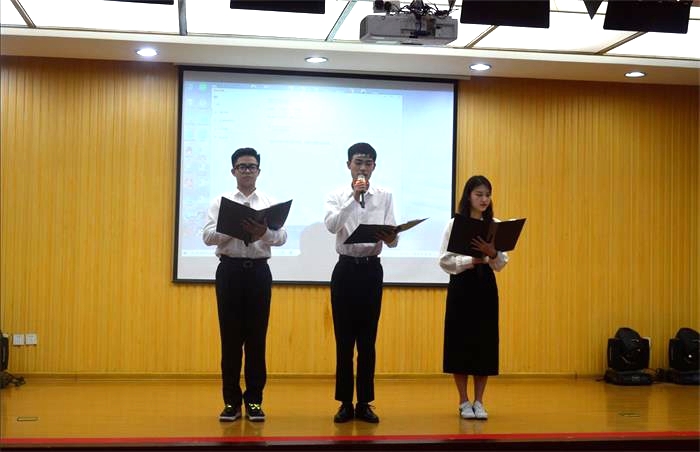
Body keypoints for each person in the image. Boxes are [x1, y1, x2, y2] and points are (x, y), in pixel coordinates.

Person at [202, 147, 287, 423]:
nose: (247, 171)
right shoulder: (221, 202)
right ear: (233, 171)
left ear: (259, 171)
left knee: (256, 341)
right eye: (242, 167)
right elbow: (207, 237)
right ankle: (231, 403)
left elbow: (282, 237)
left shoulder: (269, 201)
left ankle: (254, 402)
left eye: (251, 166)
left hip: (259, 273)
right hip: (230, 271)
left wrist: (263, 232)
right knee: (230, 340)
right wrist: (233, 228)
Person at [324, 142, 398, 424]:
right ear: (348, 165)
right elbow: (332, 225)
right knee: (344, 341)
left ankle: (365, 402)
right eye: (358, 162)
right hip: (345, 270)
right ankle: (345, 402)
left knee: (368, 341)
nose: (363, 168)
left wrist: (391, 237)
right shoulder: (336, 195)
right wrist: (353, 197)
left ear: (374, 167)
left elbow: (393, 238)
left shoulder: (385, 196)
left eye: (368, 163)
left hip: (371, 270)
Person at [438, 175, 509, 421]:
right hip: (461, 286)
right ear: (468, 196)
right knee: (460, 342)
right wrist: (473, 260)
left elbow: (501, 264)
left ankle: (479, 401)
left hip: (485, 287)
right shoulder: (455, 224)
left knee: (484, 343)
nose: (484, 199)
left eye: (487, 195)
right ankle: (463, 401)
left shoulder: (495, 225)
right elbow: (444, 261)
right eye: (479, 194)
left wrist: (493, 253)